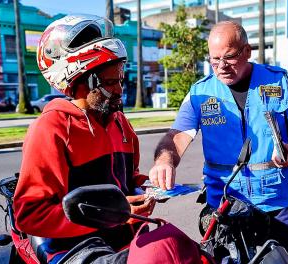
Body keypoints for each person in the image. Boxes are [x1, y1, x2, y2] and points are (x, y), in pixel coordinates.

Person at [13, 15, 202, 264]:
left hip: (126, 237)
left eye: (120, 80)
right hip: (75, 248)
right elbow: (31, 215)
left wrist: (148, 189)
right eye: (111, 83)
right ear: (79, 81)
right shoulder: (50, 129)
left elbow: (127, 179)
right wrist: (114, 214)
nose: (120, 91)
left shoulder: (118, 121)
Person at [149, 21, 288, 261]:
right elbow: (176, 136)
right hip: (224, 210)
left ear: (247, 52)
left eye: (228, 58)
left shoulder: (280, 82)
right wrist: (165, 161)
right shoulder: (200, 92)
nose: (221, 67)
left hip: (275, 207)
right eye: (214, 59)